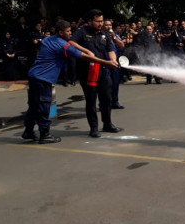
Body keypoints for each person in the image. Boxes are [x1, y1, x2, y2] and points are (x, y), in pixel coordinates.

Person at [21, 20, 118, 144]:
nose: (70, 34)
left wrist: (88, 51)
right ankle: (44, 134)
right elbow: (85, 57)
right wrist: (107, 63)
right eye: (68, 32)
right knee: (44, 106)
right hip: (44, 78)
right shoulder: (63, 45)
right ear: (61, 32)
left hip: (33, 75)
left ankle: (28, 131)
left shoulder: (47, 40)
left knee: (34, 106)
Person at [71, 9, 122, 138]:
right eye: (97, 21)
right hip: (87, 72)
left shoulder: (105, 34)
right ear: (90, 21)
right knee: (91, 100)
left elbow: (110, 50)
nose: (100, 24)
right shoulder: (81, 32)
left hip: (104, 71)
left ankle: (107, 124)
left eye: (101, 21)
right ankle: (93, 128)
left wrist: (113, 60)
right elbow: (71, 43)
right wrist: (87, 52)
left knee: (106, 99)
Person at [103, 19, 125, 109]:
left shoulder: (114, 35)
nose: (109, 27)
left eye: (110, 25)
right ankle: (104, 103)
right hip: (105, 63)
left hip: (114, 62)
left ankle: (115, 101)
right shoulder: (100, 35)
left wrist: (114, 37)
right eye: (107, 25)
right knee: (105, 85)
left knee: (115, 83)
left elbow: (122, 45)